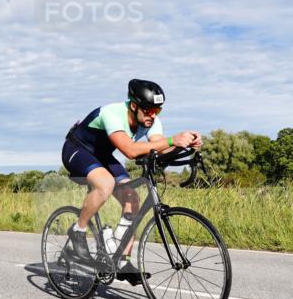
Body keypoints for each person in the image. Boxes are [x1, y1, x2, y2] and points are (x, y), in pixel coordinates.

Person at [61, 79, 202, 285]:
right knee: (106, 184)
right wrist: (173, 139)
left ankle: (121, 259)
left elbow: (158, 148)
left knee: (132, 199)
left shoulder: (151, 120)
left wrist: (186, 145)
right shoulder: (112, 113)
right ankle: (78, 231)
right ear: (134, 105)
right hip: (77, 150)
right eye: (149, 110)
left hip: (102, 155)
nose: (153, 115)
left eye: (157, 111)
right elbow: (130, 150)